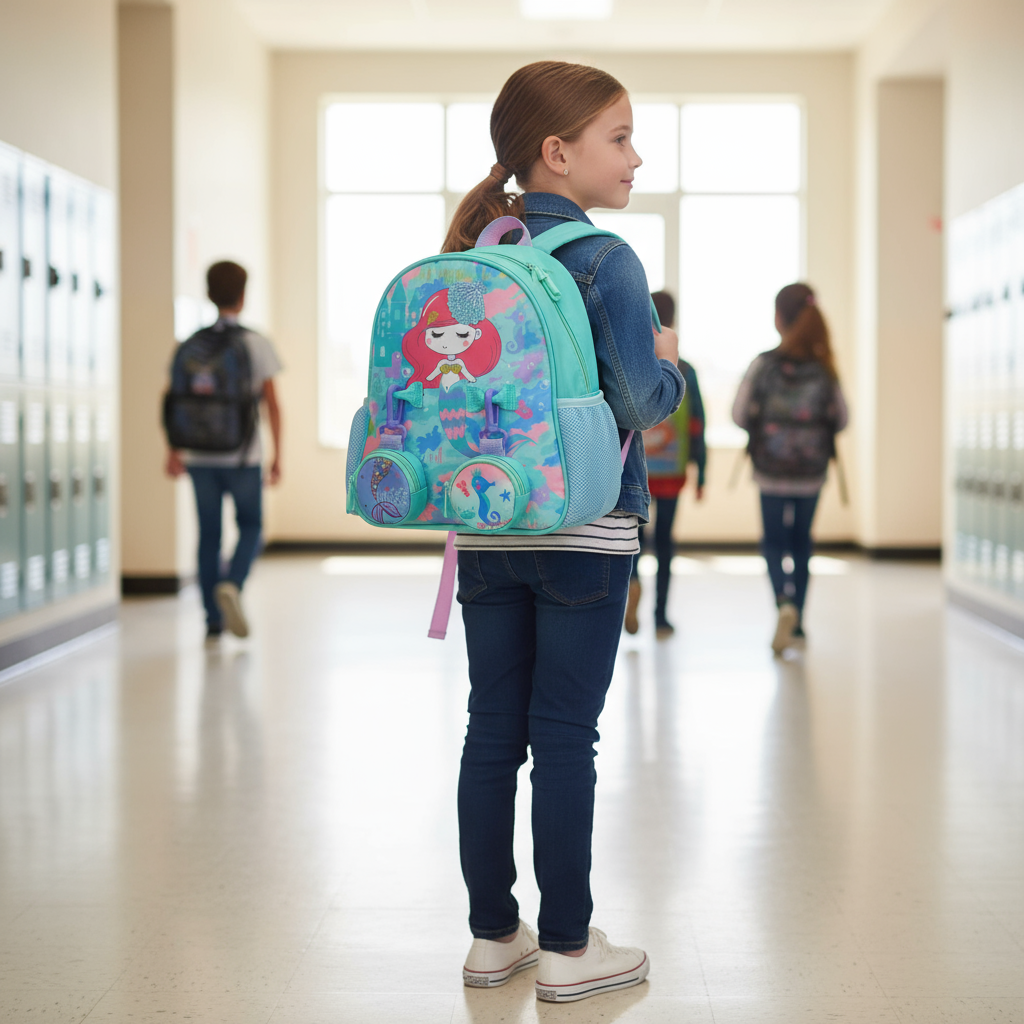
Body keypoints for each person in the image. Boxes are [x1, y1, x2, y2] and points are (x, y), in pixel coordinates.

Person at [443, 61, 684, 1004]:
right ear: (558, 151)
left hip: (488, 524)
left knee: (490, 729)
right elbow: (637, 402)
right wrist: (670, 364)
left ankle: (493, 938)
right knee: (565, 737)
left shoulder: (476, 249)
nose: (634, 157)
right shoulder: (603, 259)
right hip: (583, 528)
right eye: (618, 138)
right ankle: (573, 948)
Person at [165, 261, 282, 641]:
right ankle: (233, 583)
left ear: (209, 293)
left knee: (208, 535)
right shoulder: (254, 342)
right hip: (242, 454)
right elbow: (271, 403)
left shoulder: (188, 343)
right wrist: (278, 455)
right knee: (251, 526)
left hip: (198, 455)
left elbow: (172, 399)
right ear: (243, 295)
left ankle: (212, 619)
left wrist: (172, 448)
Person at [732, 282, 847, 654]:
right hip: (811, 473)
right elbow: (842, 418)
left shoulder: (763, 365)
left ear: (779, 318)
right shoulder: (824, 367)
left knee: (773, 542)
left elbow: (738, 414)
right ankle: (797, 622)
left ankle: (782, 602)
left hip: (769, 469)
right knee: (801, 544)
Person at [624, 290, 706, 639]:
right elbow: (698, 424)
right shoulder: (684, 368)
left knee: (633, 539)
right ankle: (660, 617)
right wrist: (702, 471)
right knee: (666, 544)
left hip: (638, 469)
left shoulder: (634, 362)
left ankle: (632, 584)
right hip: (672, 473)